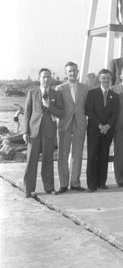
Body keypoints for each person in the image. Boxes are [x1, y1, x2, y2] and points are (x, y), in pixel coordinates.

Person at [23, 68, 64, 198]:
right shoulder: (32, 93)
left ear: (51, 79)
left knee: (48, 160)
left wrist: (49, 106)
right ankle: (28, 189)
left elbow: (61, 113)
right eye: (44, 77)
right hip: (34, 132)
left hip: (49, 132)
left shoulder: (56, 94)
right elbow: (27, 113)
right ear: (39, 78)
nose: (46, 79)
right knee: (31, 160)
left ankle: (49, 187)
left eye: (48, 77)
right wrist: (25, 131)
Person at [56, 61, 88, 193]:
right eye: (69, 71)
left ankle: (75, 183)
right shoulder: (60, 88)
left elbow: (85, 106)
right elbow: (57, 107)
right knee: (63, 154)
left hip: (79, 123)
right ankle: (63, 184)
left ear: (78, 71)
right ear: (66, 73)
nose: (72, 73)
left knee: (78, 153)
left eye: (74, 70)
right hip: (64, 123)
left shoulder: (84, 88)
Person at [85, 69, 119, 192]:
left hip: (108, 131)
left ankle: (101, 182)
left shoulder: (114, 96)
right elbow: (89, 111)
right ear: (99, 78)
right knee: (93, 156)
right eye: (103, 78)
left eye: (108, 78)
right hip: (94, 129)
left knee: (104, 155)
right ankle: (91, 184)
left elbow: (115, 113)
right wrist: (100, 125)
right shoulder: (92, 93)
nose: (106, 80)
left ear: (111, 79)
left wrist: (107, 126)